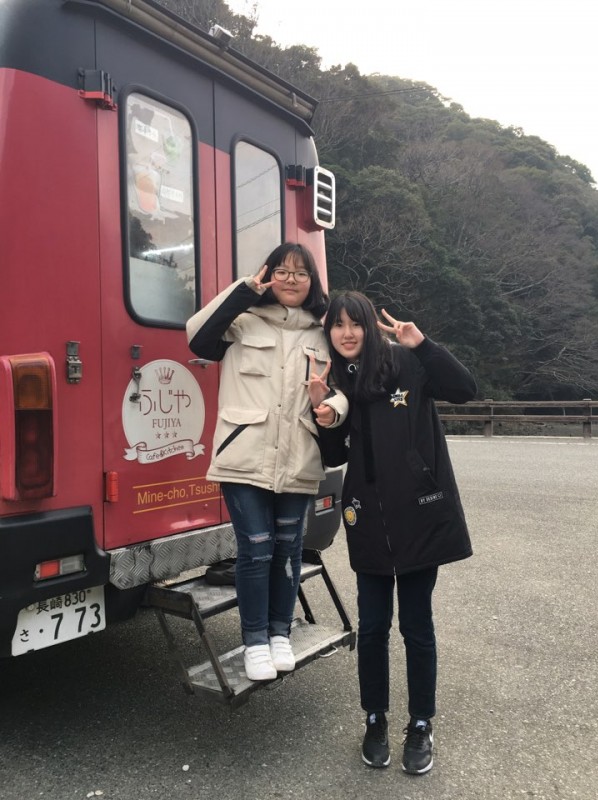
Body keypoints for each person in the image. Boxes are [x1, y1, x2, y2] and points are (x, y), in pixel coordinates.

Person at [310, 291, 476, 775]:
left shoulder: (406, 362)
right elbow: (336, 456)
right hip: (367, 520)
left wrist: (423, 345)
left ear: (368, 326)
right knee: (373, 629)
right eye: (337, 325)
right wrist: (321, 413)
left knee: (417, 627)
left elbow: (464, 388)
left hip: (418, 516)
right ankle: (375, 719)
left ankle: (421, 723)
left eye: (355, 323)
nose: (346, 333)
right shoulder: (338, 380)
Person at [186, 243, 347, 682]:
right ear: (268, 275)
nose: (291, 279)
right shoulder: (242, 320)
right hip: (244, 456)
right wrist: (244, 290)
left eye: (301, 272)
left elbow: (343, 388)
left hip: (299, 457)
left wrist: (334, 408)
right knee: (256, 549)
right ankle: (255, 640)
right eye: (282, 270)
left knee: (289, 548)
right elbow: (197, 338)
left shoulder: (323, 333)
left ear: (313, 281)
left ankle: (280, 633)